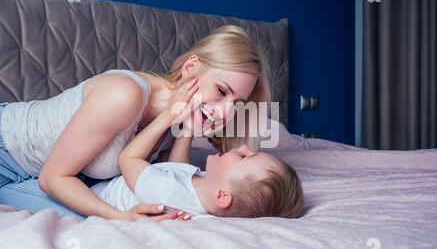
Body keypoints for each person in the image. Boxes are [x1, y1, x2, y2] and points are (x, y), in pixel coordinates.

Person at [0, 25, 271, 221]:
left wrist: (187, 129)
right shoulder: (125, 95)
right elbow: (53, 178)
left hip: (42, 174)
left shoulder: (181, 110)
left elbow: (173, 176)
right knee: (90, 218)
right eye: (222, 92)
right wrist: (120, 217)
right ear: (190, 68)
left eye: (236, 104)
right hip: (8, 154)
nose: (225, 114)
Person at [91, 78, 304, 219]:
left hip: (92, 199)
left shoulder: (165, 192)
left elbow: (128, 159)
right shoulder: (205, 191)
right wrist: (188, 130)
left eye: (245, 158)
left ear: (222, 195)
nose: (245, 147)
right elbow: (177, 168)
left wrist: (168, 118)